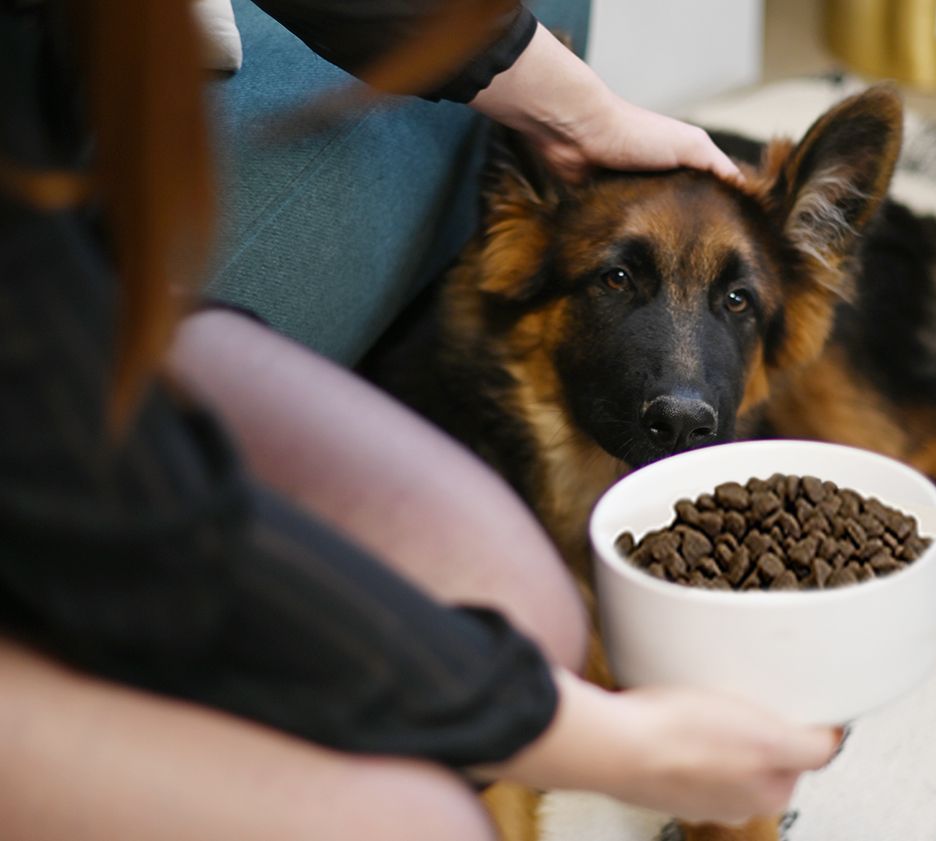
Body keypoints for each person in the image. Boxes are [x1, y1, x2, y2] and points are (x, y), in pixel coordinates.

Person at [0, 1, 839, 839]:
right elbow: (152, 525)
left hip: (67, 293)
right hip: (35, 371)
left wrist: (583, 111)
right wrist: (604, 742)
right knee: (422, 821)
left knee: (532, 609)